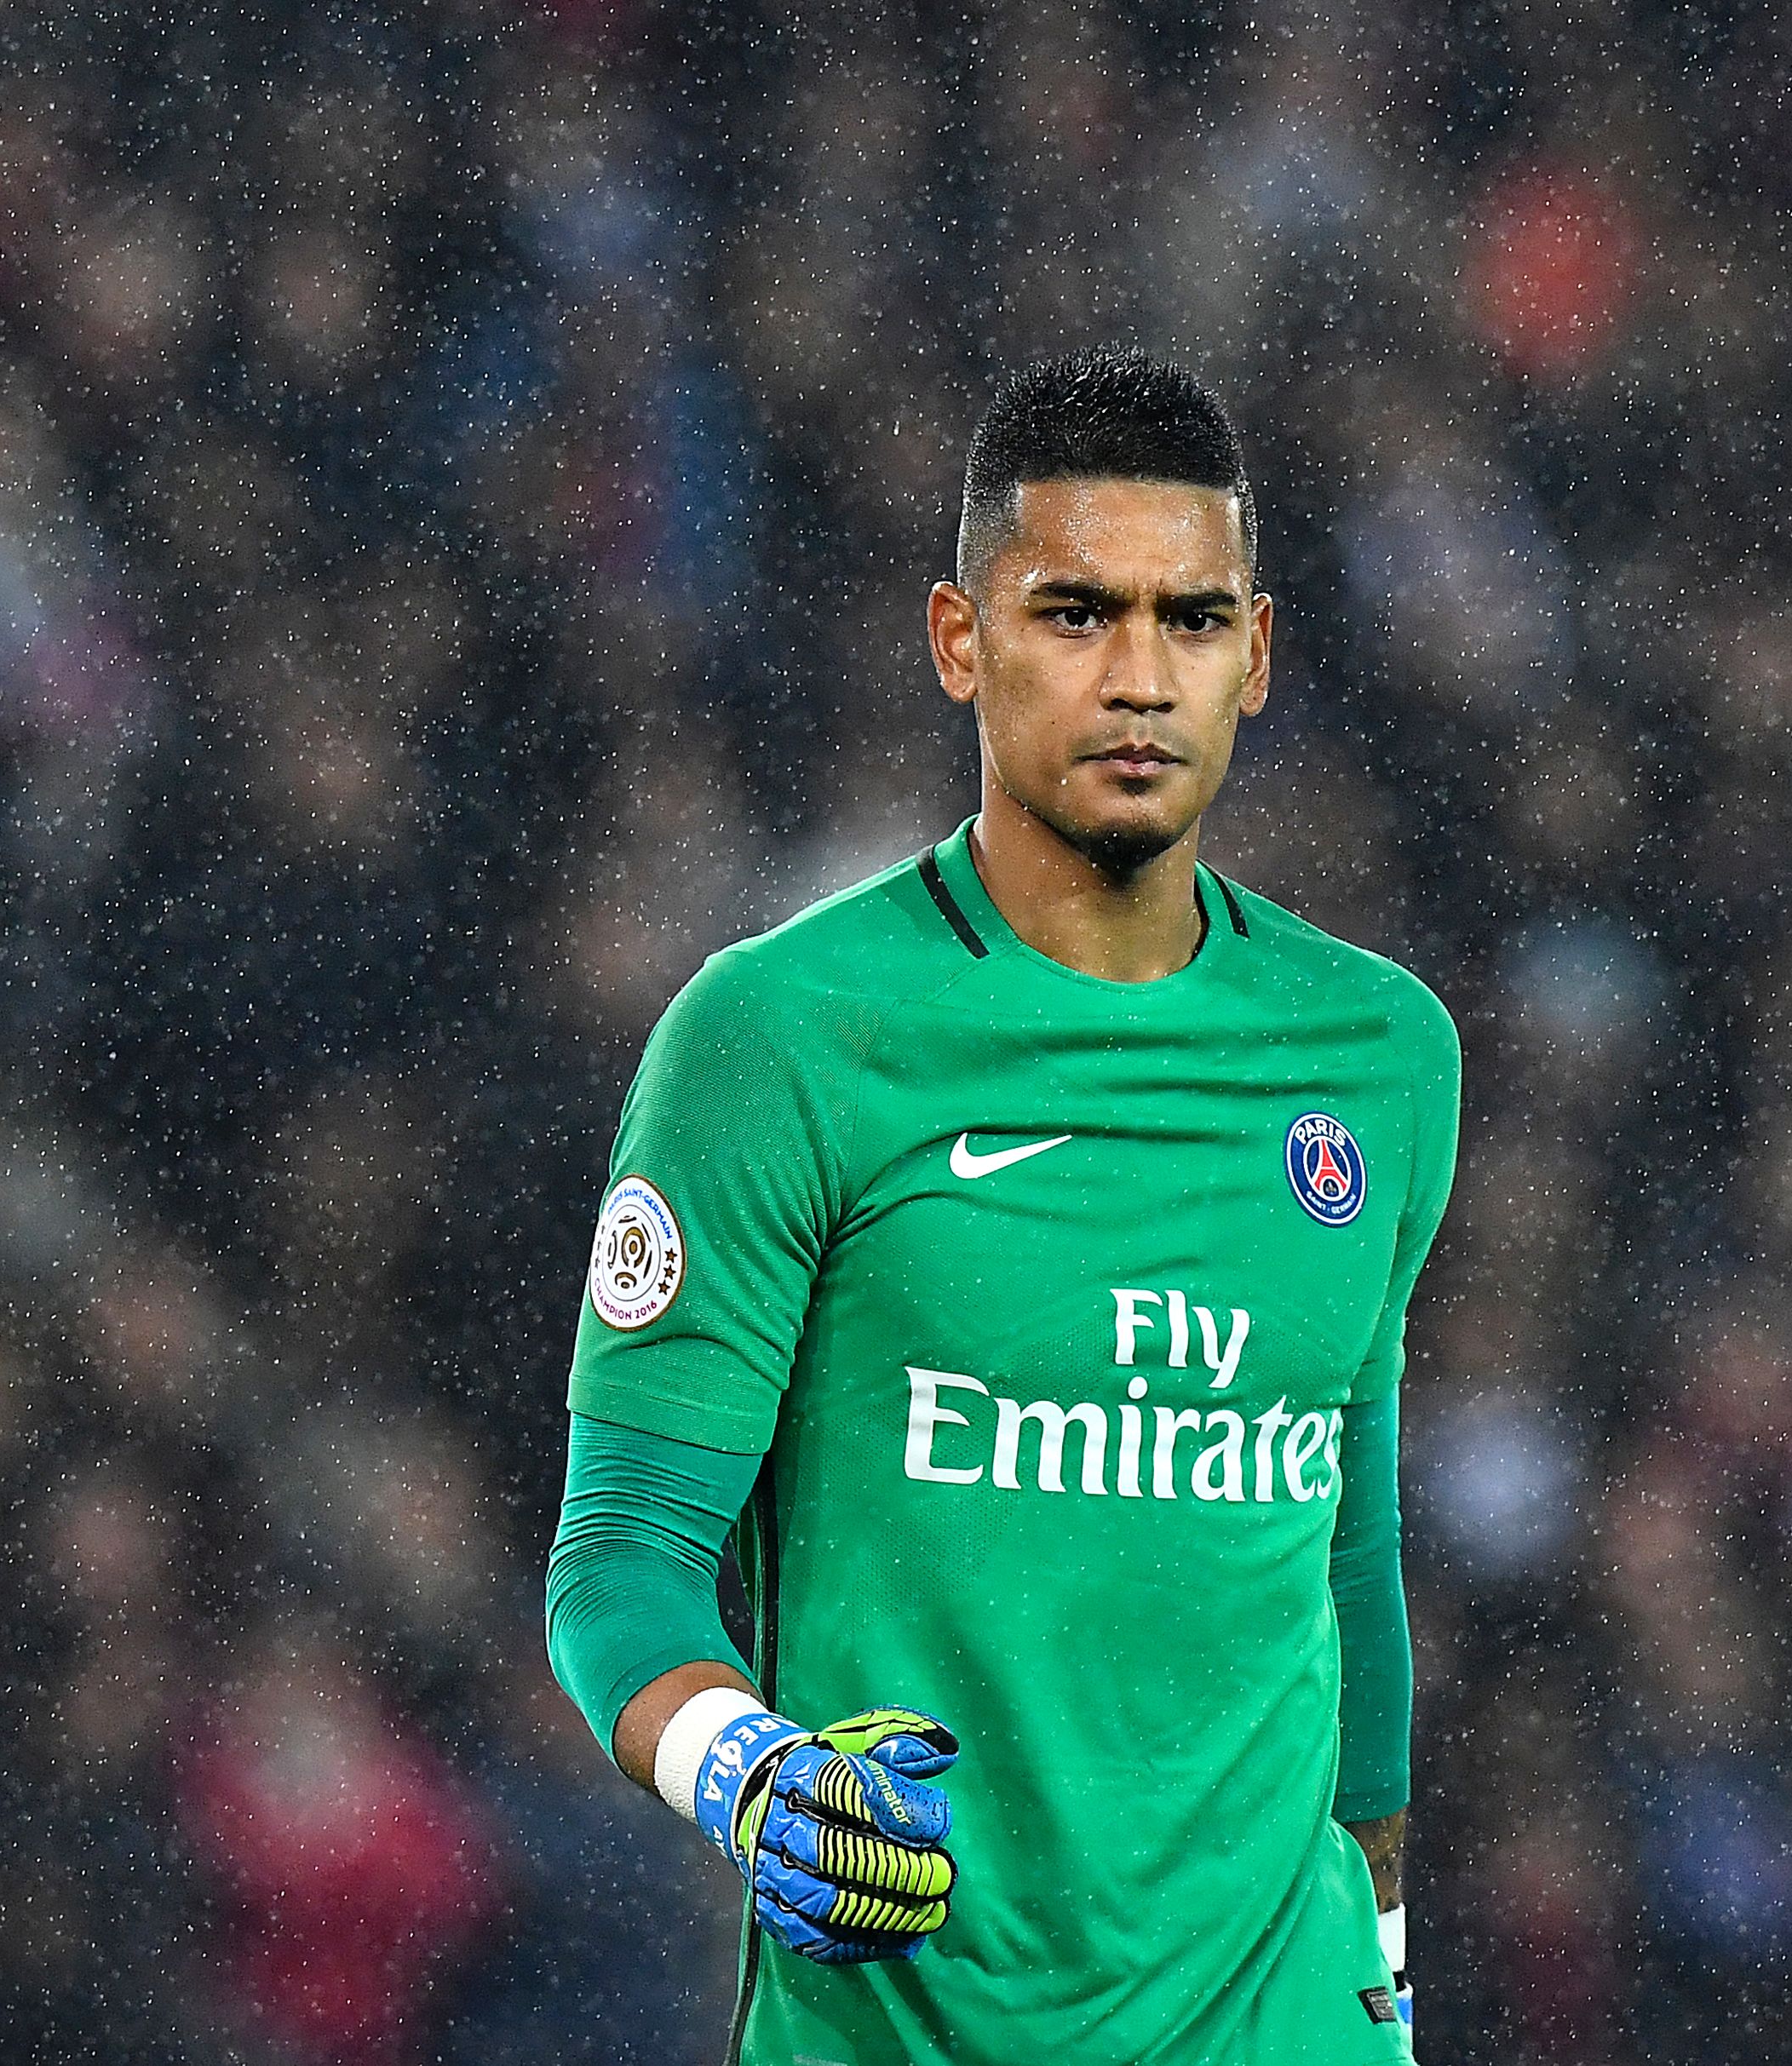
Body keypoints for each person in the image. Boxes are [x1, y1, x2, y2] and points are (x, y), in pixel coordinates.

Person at [542, 346, 1457, 2063]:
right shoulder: (778, 1040)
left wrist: (1391, 1976)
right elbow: (618, 1561)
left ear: (1256, 656)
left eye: (1193, 620)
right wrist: (752, 1774)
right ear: (961, 639)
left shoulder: (1382, 1055)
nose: (1140, 677)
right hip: (914, 2026)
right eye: (1075, 613)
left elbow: (1347, 1555)